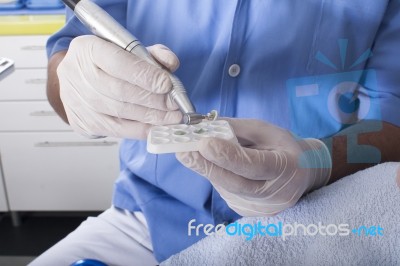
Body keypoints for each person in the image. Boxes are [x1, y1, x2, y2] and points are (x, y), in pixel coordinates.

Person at [31, 0, 400, 265]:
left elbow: (393, 111)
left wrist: (315, 163)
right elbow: (68, 57)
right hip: (146, 220)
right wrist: (75, 86)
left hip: (314, 221)